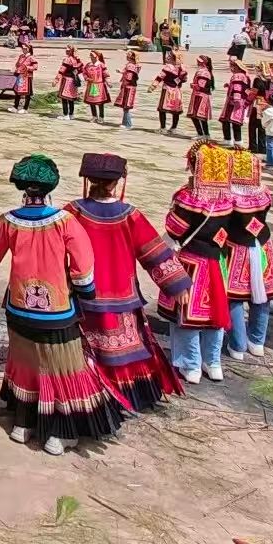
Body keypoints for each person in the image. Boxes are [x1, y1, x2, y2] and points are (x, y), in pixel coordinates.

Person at [0, 154, 124, 455]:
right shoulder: (65, 222)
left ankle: (23, 425)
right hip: (56, 310)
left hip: (19, 307)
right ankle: (59, 432)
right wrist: (85, 290)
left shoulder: (10, 221)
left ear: (23, 187)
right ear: (51, 187)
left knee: (26, 363)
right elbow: (84, 266)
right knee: (62, 368)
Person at [65, 153, 188, 411]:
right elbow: (153, 253)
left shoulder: (72, 212)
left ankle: (90, 392)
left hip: (81, 293)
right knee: (124, 351)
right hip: (122, 296)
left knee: (82, 348)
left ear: (88, 180)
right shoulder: (130, 215)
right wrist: (177, 284)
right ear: (117, 183)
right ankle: (125, 393)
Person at [160, 140, 234, 383]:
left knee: (187, 314)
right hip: (218, 261)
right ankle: (213, 363)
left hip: (192, 262)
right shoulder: (228, 200)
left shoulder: (189, 198)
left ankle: (190, 365)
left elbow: (174, 229)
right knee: (215, 312)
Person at [222, 148, 273, 362]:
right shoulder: (263, 192)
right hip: (261, 246)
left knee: (234, 297)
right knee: (261, 295)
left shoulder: (227, 196)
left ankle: (238, 344)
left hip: (235, 248)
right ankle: (257, 341)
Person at [218, 58, 251, 146]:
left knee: (228, 120)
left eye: (233, 66)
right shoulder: (244, 76)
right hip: (241, 101)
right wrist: (229, 86)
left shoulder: (238, 76)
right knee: (235, 122)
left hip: (234, 102)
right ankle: (237, 141)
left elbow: (237, 88)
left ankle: (229, 139)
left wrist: (236, 99)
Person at [187, 55, 215, 138]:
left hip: (200, 96)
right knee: (200, 116)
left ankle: (201, 134)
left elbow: (200, 86)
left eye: (199, 61)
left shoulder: (203, 72)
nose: (197, 63)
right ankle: (205, 134)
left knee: (196, 116)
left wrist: (193, 85)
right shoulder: (205, 71)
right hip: (200, 95)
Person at [82, 51, 111, 124]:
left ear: (97, 57)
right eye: (91, 56)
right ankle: (94, 116)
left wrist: (108, 82)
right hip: (91, 85)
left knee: (100, 102)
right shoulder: (88, 65)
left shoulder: (101, 65)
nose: (91, 57)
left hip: (99, 85)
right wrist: (87, 78)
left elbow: (106, 74)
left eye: (93, 56)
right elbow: (84, 73)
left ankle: (101, 117)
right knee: (92, 102)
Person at [114, 51, 140, 130]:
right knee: (125, 106)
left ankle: (128, 124)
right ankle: (125, 123)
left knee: (126, 106)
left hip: (128, 87)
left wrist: (124, 81)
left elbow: (129, 77)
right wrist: (122, 72)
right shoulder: (133, 65)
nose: (126, 56)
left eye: (128, 55)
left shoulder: (131, 66)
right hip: (129, 86)